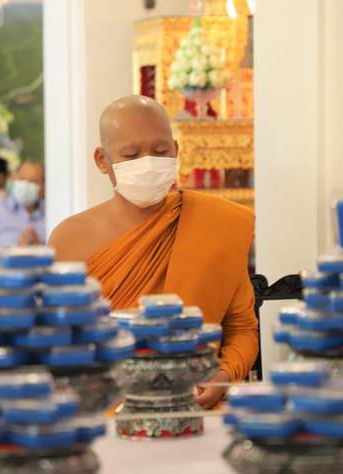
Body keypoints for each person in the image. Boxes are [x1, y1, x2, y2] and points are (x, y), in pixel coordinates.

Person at [49, 95, 259, 409]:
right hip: (106, 408)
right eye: (131, 154)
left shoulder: (216, 223)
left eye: (160, 152)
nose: (148, 163)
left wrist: (224, 375)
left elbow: (241, 328)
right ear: (102, 160)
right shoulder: (69, 240)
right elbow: (58, 341)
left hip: (195, 404)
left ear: (176, 150)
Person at [0, 161, 46, 254]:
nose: (26, 184)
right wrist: (17, 251)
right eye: (22, 179)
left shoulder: (51, 213)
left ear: (43, 187)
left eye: (33, 181)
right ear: (14, 180)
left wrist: (41, 249)